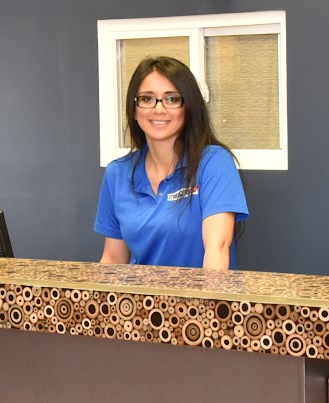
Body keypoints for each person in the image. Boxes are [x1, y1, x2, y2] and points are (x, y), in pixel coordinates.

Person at [95, 56, 248, 270]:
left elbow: (218, 249)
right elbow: (113, 260)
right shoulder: (118, 173)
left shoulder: (214, 163)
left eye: (172, 99)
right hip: (137, 292)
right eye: (147, 99)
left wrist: (205, 293)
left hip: (201, 291)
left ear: (188, 109)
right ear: (134, 110)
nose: (159, 109)